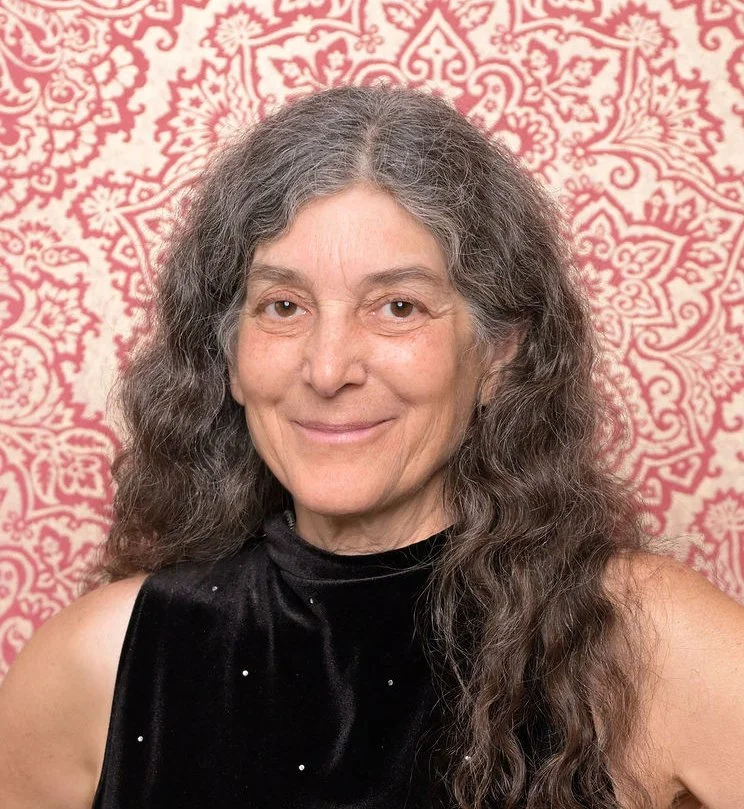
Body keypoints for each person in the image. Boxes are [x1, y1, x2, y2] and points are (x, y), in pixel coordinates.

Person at [0, 84, 742, 809]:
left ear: (498, 353)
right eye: (283, 306)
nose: (328, 369)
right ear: (229, 357)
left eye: (398, 306)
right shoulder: (92, 665)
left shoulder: (653, 646)